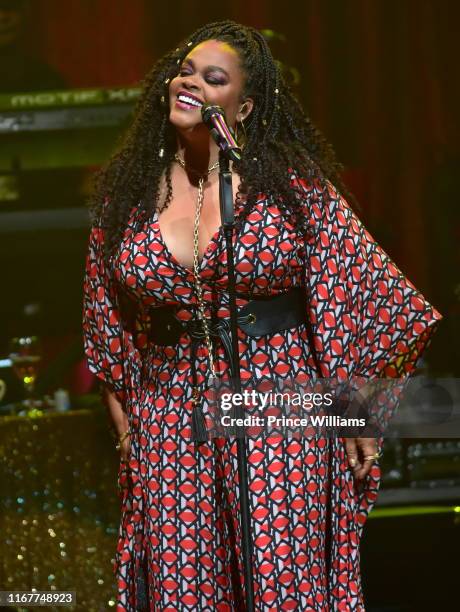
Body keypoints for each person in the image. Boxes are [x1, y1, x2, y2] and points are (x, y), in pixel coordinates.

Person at [82, 20, 442, 611]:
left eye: (211, 77)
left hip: (279, 393)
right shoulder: (125, 200)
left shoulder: (293, 194)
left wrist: (356, 415)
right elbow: (105, 323)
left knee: (282, 579)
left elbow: (376, 298)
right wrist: (128, 434)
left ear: (243, 107)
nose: (188, 82)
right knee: (184, 582)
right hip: (170, 407)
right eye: (184, 70)